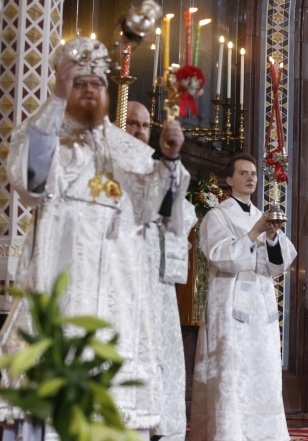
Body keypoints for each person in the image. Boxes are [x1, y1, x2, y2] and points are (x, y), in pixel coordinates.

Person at [0, 36, 190, 433]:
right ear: (63, 84)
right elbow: (31, 182)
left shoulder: (127, 148)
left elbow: (157, 211)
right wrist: (55, 99)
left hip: (118, 296)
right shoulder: (45, 135)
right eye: (79, 82)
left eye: (96, 83)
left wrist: (169, 160)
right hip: (60, 282)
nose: (89, 90)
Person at [190, 154, 297, 441]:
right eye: (243, 173)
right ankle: (230, 433)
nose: (251, 178)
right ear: (229, 180)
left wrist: (272, 237)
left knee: (262, 366)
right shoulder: (218, 216)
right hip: (231, 299)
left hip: (261, 304)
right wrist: (253, 234)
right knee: (232, 366)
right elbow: (221, 256)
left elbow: (278, 264)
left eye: (253, 173)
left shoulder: (261, 215)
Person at [125, 100, 196, 441]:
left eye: (143, 125)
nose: (139, 131)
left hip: (156, 270)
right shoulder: (108, 164)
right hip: (122, 268)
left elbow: (174, 212)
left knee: (160, 346)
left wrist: (170, 161)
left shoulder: (159, 166)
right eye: (131, 124)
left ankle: (160, 422)